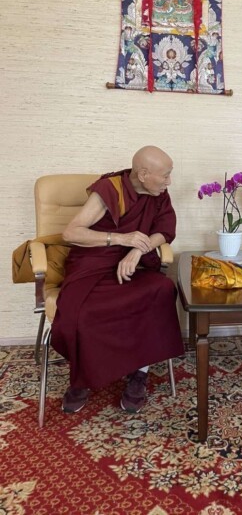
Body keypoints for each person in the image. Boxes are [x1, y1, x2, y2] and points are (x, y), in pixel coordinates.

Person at [51, 146, 184, 415]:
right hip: (93, 266)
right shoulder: (109, 190)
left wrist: (138, 249)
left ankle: (139, 374)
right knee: (83, 313)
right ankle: (82, 379)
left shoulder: (158, 194)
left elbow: (165, 231)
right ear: (144, 174)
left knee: (162, 290)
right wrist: (122, 239)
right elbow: (71, 232)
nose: (169, 182)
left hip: (133, 267)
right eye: (166, 175)